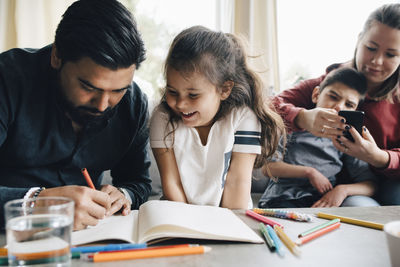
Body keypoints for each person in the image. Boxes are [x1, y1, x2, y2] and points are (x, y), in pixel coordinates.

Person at [0, 0, 152, 230]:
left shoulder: (133, 105)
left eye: (118, 90)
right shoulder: (7, 80)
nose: (102, 105)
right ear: (57, 56)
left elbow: (138, 181)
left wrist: (123, 194)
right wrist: (37, 204)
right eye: (88, 87)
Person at [273, 3, 400, 205]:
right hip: (319, 189)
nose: (376, 61)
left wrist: (380, 157)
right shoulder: (331, 81)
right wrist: (302, 117)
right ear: (359, 40)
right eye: (371, 48)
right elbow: (268, 106)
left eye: (391, 54)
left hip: (377, 183)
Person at [150, 26, 285, 209]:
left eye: (193, 95)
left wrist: (223, 229)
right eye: (172, 92)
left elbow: (237, 181)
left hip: (232, 213)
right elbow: (172, 183)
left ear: (224, 90)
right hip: (179, 211)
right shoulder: (163, 117)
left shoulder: (244, 117)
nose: (180, 104)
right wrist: (187, 225)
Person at [259, 68, 379, 208]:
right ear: (316, 95)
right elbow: (268, 168)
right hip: (282, 198)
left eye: (349, 105)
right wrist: (310, 172)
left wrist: (343, 190)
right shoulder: (290, 126)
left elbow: (370, 184)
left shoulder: (346, 139)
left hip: (322, 202)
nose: (339, 107)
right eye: (333, 97)